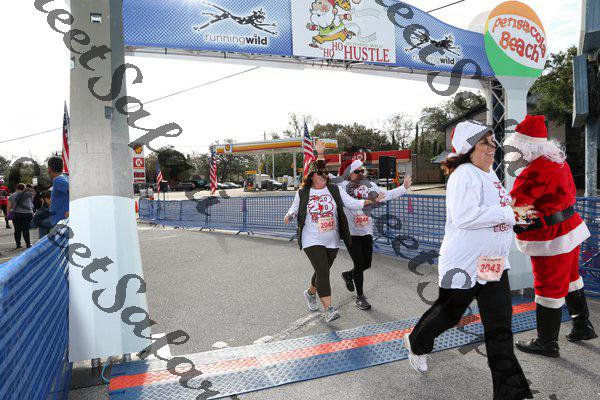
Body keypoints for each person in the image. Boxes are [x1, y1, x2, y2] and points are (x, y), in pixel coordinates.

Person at [403, 121, 534, 400]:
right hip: (463, 266)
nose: (492, 147)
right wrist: (509, 214)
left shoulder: (490, 175)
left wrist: (521, 217)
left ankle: (511, 394)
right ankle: (416, 343)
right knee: (448, 316)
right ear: (468, 148)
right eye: (484, 142)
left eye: (493, 142)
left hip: (492, 264)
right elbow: (465, 216)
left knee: (499, 329)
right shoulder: (463, 174)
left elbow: (503, 210)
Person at [505, 115, 597, 358]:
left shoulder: (533, 171)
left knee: (548, 286)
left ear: (526, 146)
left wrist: (508, 222)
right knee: (571, 278)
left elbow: (518, 208)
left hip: (550, 238)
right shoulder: (558, 162)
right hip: (571, 229)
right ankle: (582, 326)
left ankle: (547, 343)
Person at [284, 159, 385, 322]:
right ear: (312, 175)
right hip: (311, 237)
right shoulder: (303, 192)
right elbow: (294, 209)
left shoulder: (334, 189)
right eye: (320, 173)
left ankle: (310, 293)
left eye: (325, 172)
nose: (324, 175)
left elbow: (351, 203)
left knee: (321, 270)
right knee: (323, 271)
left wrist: (369, 201)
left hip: (332, 238)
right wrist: (290, 215)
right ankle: (329, 309)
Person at [316, 145, 413, 310]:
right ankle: (360, 297)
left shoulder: (369, 185)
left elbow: (386, 195)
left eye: (363, 171)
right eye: (358, 171)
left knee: (366, 264)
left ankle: (348, 275)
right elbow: (322, 172)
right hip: (351, 232)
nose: (362, 173)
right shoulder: (340, 185)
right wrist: (320, 154)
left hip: (366, 230)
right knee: (359, 264)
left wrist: (403, 187)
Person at [7, 183, 34, 249]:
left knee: (17, 230)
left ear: (16, 188)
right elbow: (31, 205)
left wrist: (8, 215)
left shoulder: (11, 196)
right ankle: (28, 244)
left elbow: (8, 207)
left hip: (16, 214)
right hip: (27, 214)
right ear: (24, 188)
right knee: (26, 229)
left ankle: (18, 245)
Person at [48, 156, 69, 226]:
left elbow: (77, 191)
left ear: (49, 169)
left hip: (60, 223)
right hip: (62, 222)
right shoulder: (64, 177)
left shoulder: (58, 180)